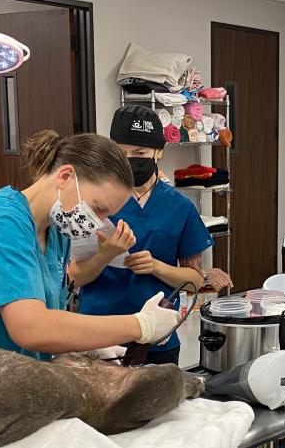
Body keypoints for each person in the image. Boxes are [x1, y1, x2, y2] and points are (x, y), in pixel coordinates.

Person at [0, 130, 178, 364]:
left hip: (1, 378)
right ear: (65, 176)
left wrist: (84, 346)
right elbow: (31, 328)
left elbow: (52, 312)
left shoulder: (56, 233)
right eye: (98, 208)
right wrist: (140, 325)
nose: (98, 222)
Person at [73, 105, 213, 365]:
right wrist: (106, 254)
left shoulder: (180, 207)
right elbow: (74, 277)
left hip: (156, 340)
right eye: (121, 153)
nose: (129, 161)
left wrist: (156, 267)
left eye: (139, 153)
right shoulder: (93, 202)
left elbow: (194, 281)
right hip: (98, 339)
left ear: (159, 152)